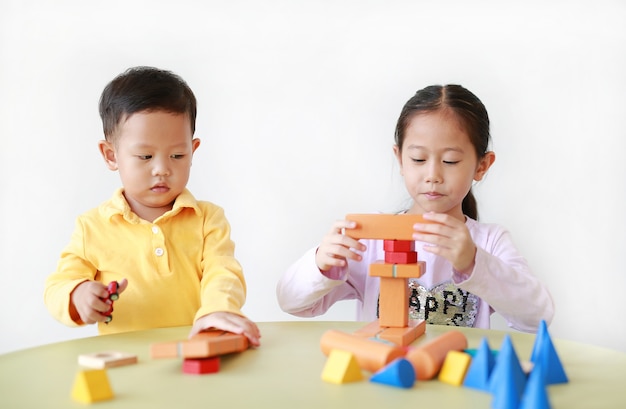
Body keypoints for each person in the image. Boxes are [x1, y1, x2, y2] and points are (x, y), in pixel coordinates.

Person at [276, 84, 554, 333]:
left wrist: (473, 262)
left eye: (450, 161)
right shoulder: (371, 240)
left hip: (458, 384)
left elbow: (537, 316)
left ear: (482, 165)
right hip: (385, 378)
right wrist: (321, 263)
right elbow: (291, 301)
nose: (433, 174)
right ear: (400, 159)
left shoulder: (489, 242)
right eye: (419, 159)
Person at [44, 66, 260, 346]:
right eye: (145, 156)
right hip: (127, 359)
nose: (162, 169)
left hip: (197, 350)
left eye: (177, 155)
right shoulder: (92, 227)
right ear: (111, 155)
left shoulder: (208, 218)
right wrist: (78, 295)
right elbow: (56, 287)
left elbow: (223, 271)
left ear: (193, 151)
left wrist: (218, 309)